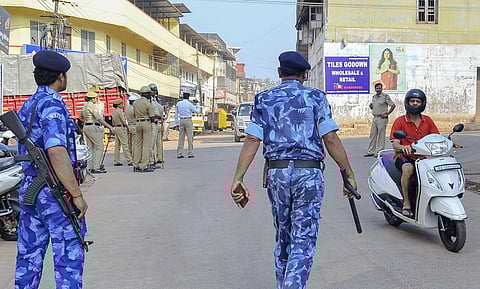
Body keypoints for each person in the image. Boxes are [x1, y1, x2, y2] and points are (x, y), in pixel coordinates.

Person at [230, 51, 357, 289]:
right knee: (303, 240)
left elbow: (251, 140)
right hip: (308, 175)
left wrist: (239, 178)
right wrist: (347, 172)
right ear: (305, 74)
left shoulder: (264, 98)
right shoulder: (316, 97)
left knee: (284, 237)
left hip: (277, 174)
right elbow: (329, 138)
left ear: (279, 73)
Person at [15, 50, 88, 288]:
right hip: (53, 191)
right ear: (61, 77)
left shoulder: (29, 103)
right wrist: (76, 195)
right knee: (68, 256)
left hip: (30, 190)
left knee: (28, 256)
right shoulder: (52, 103)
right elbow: (56, 151)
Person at [390, 88, 453, 217]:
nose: (414, 103)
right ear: (407, 103)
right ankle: (406, 203)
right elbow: (395, 143)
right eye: (412, 101)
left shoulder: (428, 121)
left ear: (422, 103)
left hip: (425, 157)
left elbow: (436, 137)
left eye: (417, 101)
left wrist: (450, 142)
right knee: (408, 169)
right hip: (404, 156)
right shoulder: (400, 121)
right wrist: (403, 147)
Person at [79, 90, 114, 174]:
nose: (97, 99)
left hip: (86, 126)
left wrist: (87, 121)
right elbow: (99, 119)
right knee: (99, 147)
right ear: (92, 99)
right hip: (93, 127)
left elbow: (80, 117)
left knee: (90, 148)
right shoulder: (92, 106)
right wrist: (109, 126)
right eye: (96, 98)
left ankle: (90, 167)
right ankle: (97, 166)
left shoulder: (84, 106)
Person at [364, 82, 396, 157]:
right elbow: (374, 107)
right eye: (377, 88)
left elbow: (393, 105)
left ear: (382, 89)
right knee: (373, 135)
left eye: (379, 88)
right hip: (375, 118)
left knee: (381, 135)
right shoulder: (374, 97)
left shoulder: (385, 96)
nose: (378, 89)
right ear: (375, 89)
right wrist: (371, 107)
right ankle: (371, 151)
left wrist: (387, 114)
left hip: (382, 118)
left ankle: (379, 152)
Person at [132, 86, 155, 172]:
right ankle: (144, 165)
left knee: (138, 144)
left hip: (137, 123)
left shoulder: (135, 103)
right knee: (146, 145)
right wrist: (155, 120)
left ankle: (136, 164)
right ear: (147, 94)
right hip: (146, 123)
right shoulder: (148, 103)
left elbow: (134, 114)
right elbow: (152, 116)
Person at [175, 92, 200, 158]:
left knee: (181, 138)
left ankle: (179, 153)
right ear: (188, 97)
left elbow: (176, 114)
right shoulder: (189, 104)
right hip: (188, 120)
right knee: (190, 137)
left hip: (181, 120)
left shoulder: (178, 104)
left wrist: (177, 123)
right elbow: (197, 111)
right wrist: (197, 103)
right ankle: (190, 153)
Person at [112, 98, 133, 166]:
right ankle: (129, 160)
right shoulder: (120, 111)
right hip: (121, 128)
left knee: (117, 146)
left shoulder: (114, 112)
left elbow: (113, 122)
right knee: (125, 144)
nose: (122, 105)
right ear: (118, 105)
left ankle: (116, 160)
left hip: (116, 127)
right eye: (121, 104)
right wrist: (127, 128)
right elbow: (124, 121)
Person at [148, 83, 165, 167]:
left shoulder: (156, 100)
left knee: (158, 141)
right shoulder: (150, 101)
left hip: (158, 122)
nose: (154, 92)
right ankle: (153, 159)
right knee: (152, 143)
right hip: (153, 122)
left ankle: (159, 158)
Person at [125, 93, 138, 159]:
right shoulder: (134, 109)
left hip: (129, 125)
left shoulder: (127, 109)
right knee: (135, 143)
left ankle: (131, 156)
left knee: (130, 143)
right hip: (134, 126)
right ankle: (135, 157)